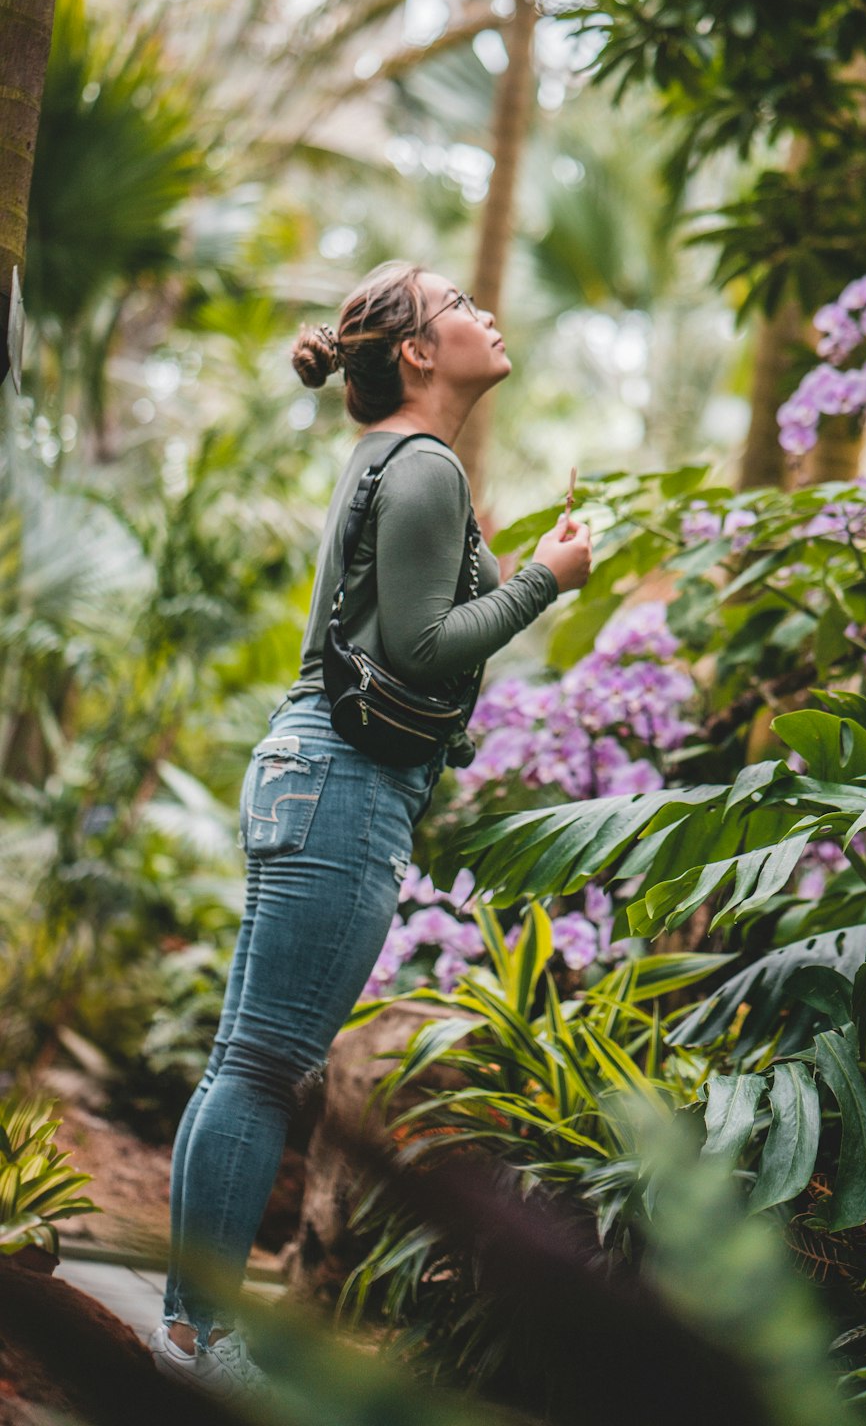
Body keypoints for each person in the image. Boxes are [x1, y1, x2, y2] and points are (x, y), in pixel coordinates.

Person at [148, 260, 592, 1396]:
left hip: (315, 773)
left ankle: (191, 1328)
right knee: (262, 1065)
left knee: (244, 1062)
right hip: (341, 782)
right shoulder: (427, 462)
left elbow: (405, 632)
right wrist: (545, 578)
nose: (486, 315)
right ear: (417, 351)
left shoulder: (395, 459)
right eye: (461, 308)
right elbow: (422, 650)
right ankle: (202, 1339)